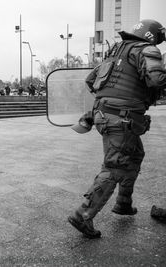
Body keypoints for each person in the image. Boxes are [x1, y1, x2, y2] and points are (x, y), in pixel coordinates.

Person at [68, 19, 166, 239]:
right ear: (154, 36)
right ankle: (83, 214)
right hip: (121, 120)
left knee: (135, 155)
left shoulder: (116, 51)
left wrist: (110, 100)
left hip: (103, 116)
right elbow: (156, 80)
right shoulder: (147, 49)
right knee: (114, 166)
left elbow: (90, 80)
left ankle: (123, 203)